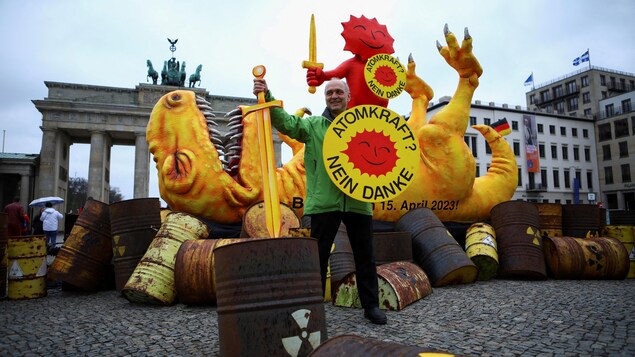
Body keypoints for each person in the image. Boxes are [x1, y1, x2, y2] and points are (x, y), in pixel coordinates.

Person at [253, 77, 387, 325]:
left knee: (365, 256)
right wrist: (267, 96)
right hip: (325, 202)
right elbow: (287, 124)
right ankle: (311, 308)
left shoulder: (364, 124)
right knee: (318, 257)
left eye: (338, 92)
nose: (333, 96)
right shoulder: (313, 126)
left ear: (348, 96)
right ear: (325, 98)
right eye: (329, 93)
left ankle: (371, 307)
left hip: (358, 199)